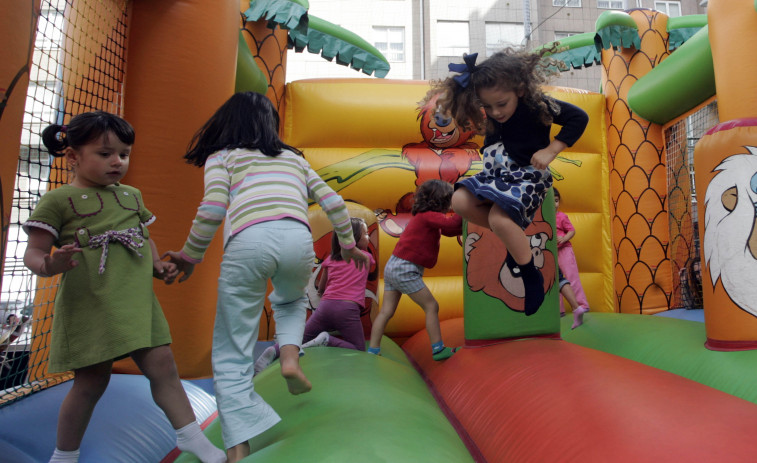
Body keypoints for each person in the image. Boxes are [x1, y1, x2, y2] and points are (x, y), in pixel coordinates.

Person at [162, 92, 369, 463]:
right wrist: (349, 244)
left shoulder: (222, 157)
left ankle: (238, 451)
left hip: (248, 243)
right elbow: (335, 203)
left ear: (226, 123)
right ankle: (289, 357)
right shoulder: (292, 158)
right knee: (290, 302)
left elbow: (211, 209)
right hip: (297, 240)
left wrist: (191, 256)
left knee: (231, 351)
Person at [22, 111, 225, 463]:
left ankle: (191, 436)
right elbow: (34, 251)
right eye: (105, 154)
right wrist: (49, 264)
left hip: (134, 298)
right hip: (91, 300)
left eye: (124, 154)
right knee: (91, 383)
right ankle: (64, 455)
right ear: (73, 156)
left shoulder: (131, 195)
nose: (118, 162)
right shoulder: (59, 201)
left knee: (163, 365)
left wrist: (157, 266)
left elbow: (142, 238)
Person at [431, 48, 589, 315]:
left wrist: (551, 150)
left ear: (519, 90)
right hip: (496, 177)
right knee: (458, 201)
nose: (495, 112)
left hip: (528, 176)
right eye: (487, 107)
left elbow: (578, 117)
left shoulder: (535, 106)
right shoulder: (493, 112)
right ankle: (514, 241)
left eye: (501, 104)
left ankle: (530, 275)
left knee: (499, 219)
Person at [253, 217, 376, 375]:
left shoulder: (330, 259)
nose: (368, 237)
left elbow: (321, 287)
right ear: (354, 238)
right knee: (358, 348)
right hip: (348, 309)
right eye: (365, 234)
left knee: (300, 338)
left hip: (325, 307)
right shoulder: (366, 257)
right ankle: (327, 340)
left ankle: (273, 351)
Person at [368, 179, 462, 361]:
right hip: (405, 268)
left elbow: (449, 231)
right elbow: (451, 225)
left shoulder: (424, 217)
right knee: (431, 306)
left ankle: (373, 349)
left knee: (386, 312)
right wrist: (463, 206)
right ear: (441, 201)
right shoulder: (429, 216)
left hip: (393, 266)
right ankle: (437, 349)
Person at [554, 188, 589, 327]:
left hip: (564, 250)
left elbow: (572, 230)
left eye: (557, 201)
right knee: (555, 280)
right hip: (552, 252)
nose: (555, 204)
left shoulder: (561, 216)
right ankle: (559, 310)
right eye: (552, 201)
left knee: (571, 277)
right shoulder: (543, 218)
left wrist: (563, 239)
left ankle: (581, 304)